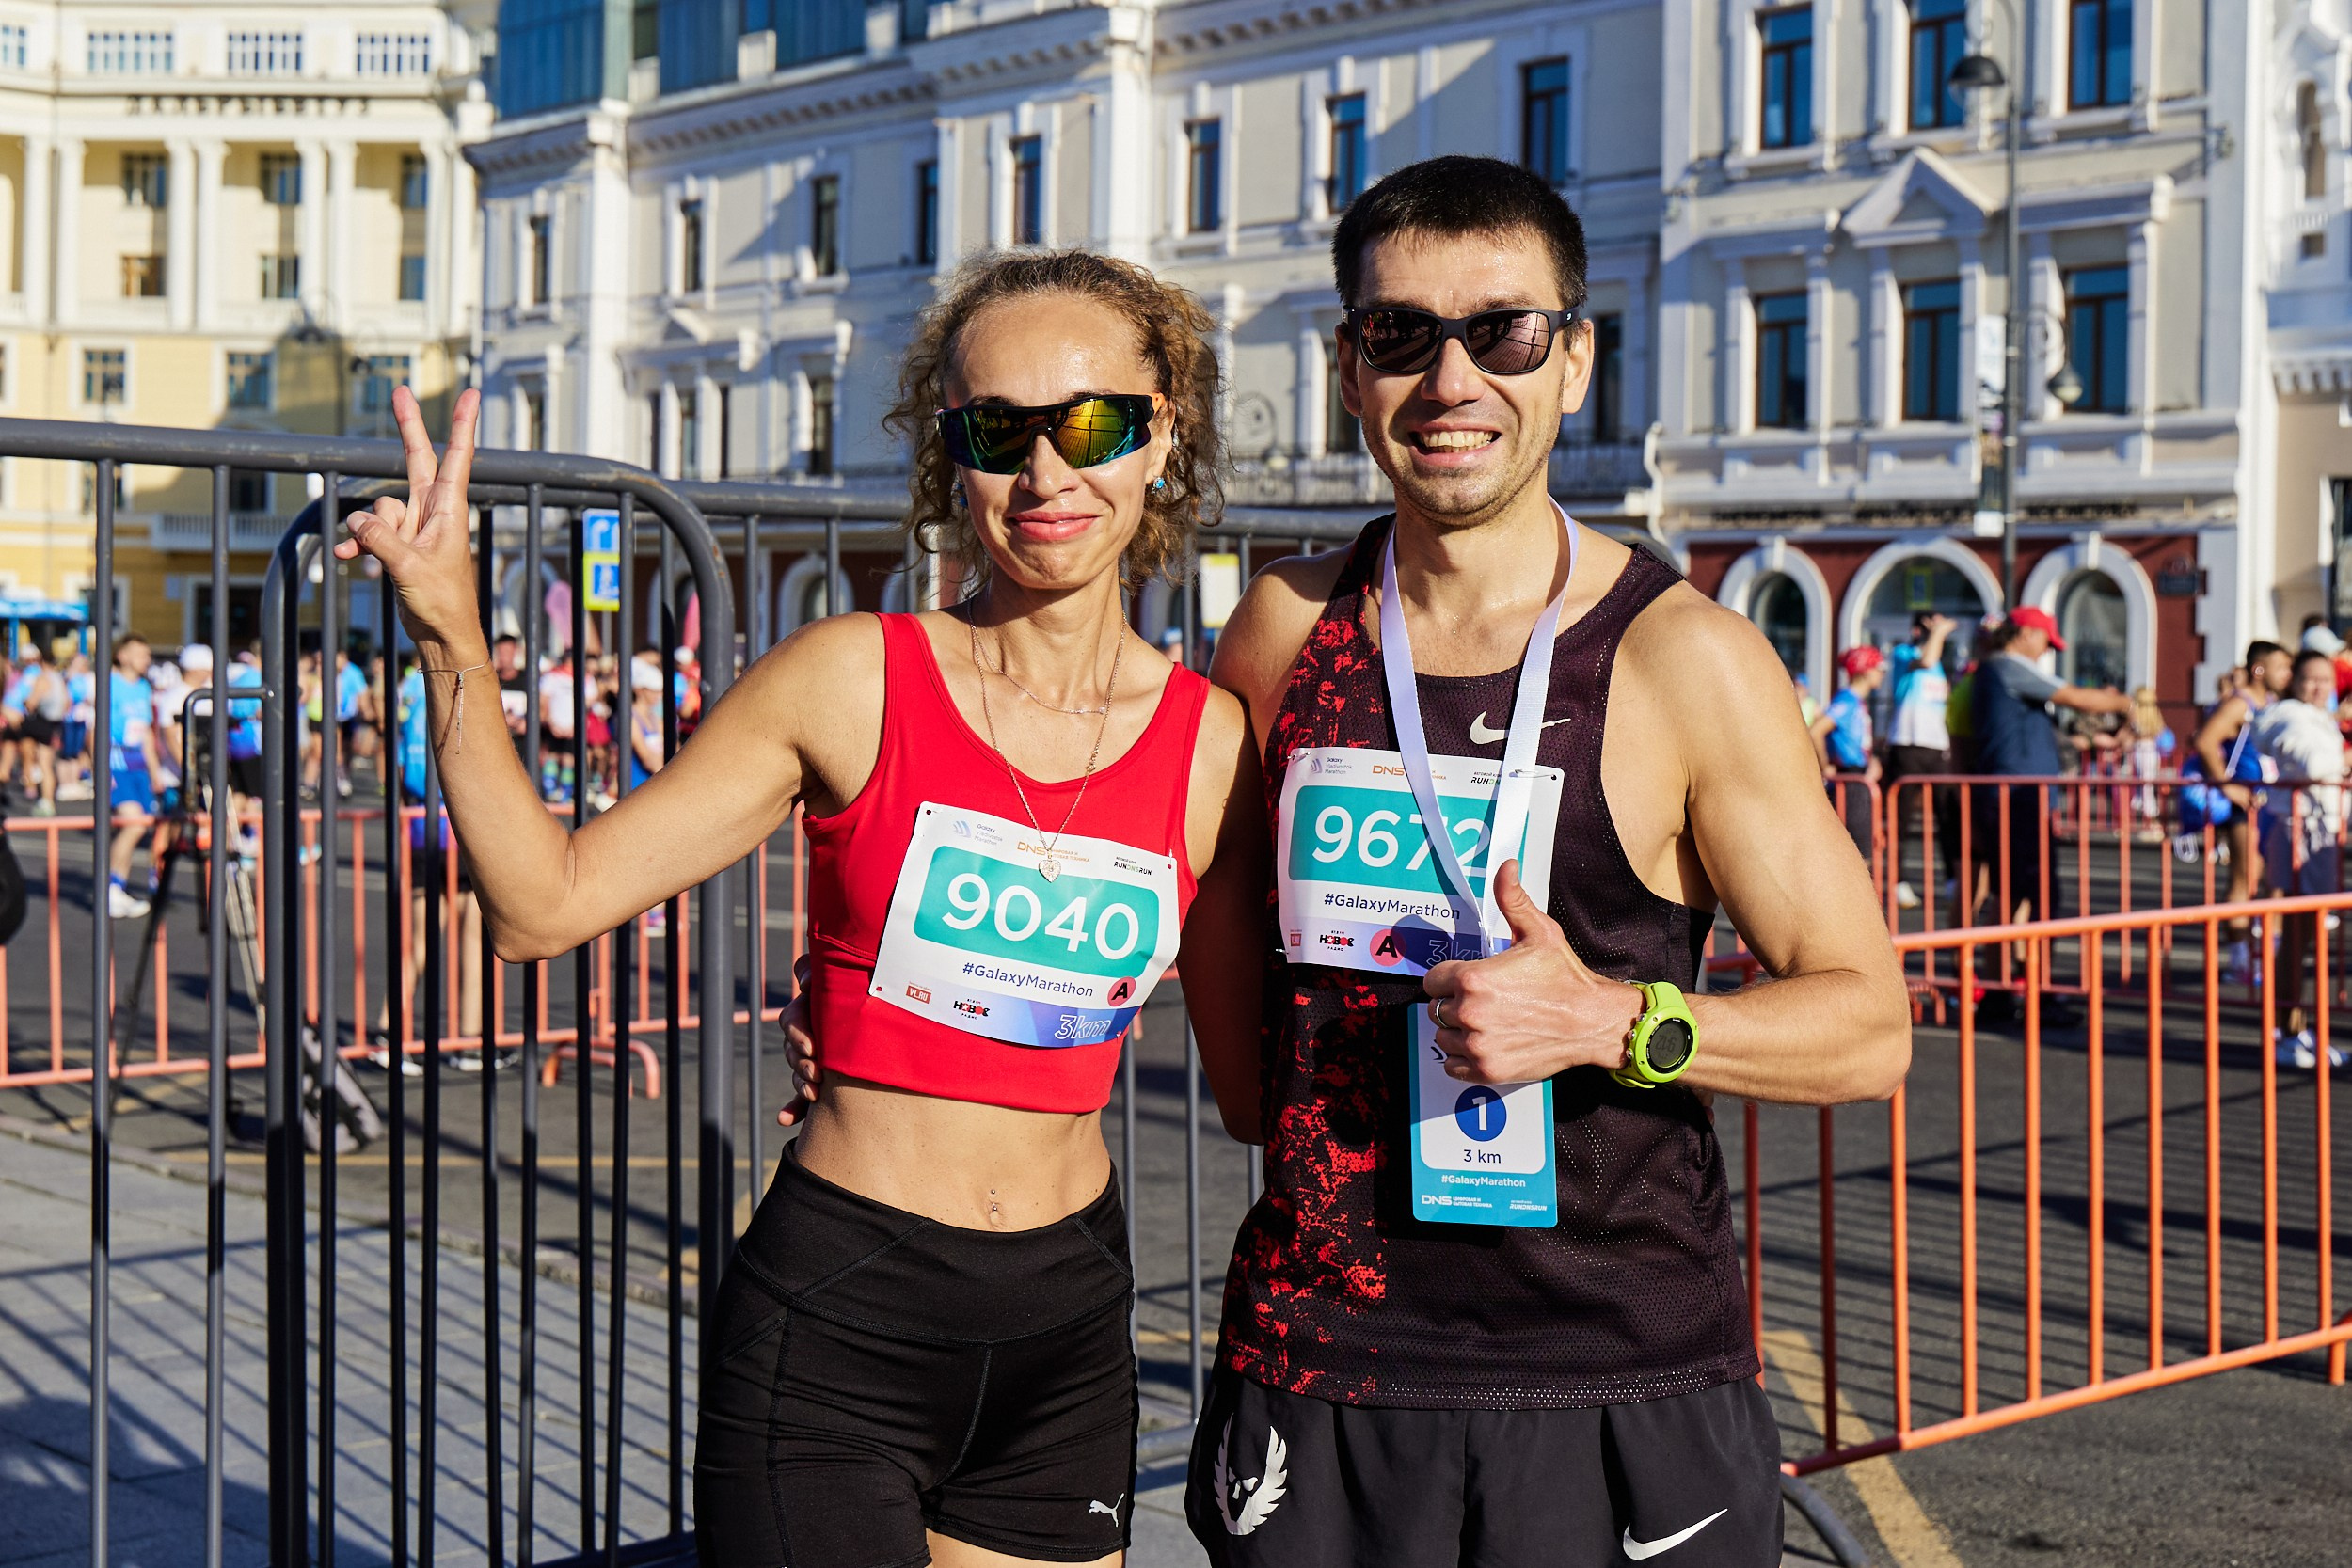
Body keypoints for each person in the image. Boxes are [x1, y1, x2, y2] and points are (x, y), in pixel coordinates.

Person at [339, 247, 1267, 1568]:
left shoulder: (1214, 745)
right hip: (847, 1318)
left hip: (1068, 1321)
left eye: (1096, 425)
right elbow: (542, 904)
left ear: (1159, 436)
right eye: (998, 431)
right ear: (954, 458)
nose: (1049, 474)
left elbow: (1254, 1084)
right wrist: (447, 631)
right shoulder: (853, 677)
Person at [1188, 156, 1905, 1567]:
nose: (1451, 378)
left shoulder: (1683, 655)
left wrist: (1609, 1020)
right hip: (1324, 1354)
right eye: (1401, 334)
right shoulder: (1282, 628)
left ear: (1573, 358)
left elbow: (1867, 1023)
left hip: (1614, 1367)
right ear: (1349, 368)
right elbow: (1213, 915)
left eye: (1502, 331)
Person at [1968, 608, 2134, 932]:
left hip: (2020, 795)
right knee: (2029, 892)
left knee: (2023, 892)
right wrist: (2128, 704)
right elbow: (2076, 697)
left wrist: (2089, 738)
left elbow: (2040, 733)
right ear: (2026, 633)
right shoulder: (2009, 666)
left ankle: (2013, 974)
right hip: (2015, 797)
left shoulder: (2000, 672)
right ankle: (2014, 977)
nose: (2047, 651)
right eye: (2047, 642)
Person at [2249, 649, 2348, 1068]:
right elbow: (2313, 759)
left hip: (2314, 828)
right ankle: (2288, 1031)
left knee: (2305, 936)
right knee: (2298, 934)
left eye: (2326, 679)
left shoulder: (2312, 716)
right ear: (2295, 682)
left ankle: (2296, 1028)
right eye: (2311, 678)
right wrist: (2335, 772)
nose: (2319, 686)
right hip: (2302, 831)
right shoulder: (2292, 715)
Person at [2192, 640, 2294, 976]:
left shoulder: (2277, 703)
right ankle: (2239, 960)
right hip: (2248, 805)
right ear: (2259, 669)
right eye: (2282, 667)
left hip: (2275, 803)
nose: (2287, 674)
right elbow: (2206, 741)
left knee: (2276, 881)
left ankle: (2271, 953)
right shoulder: (2240, 704)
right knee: (2244, 879)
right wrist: (2227, 785)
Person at [1883, 614, 1957, 910]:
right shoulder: (1905, 653)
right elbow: (1925, 660)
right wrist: (1938, 631)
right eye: (1931, 625)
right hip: (1907, 745)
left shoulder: (1939, 666)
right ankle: (1897, 882)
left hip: (1936, 748)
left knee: (1947, 816)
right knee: (1901, 820)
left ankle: (1953, 880)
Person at [104, 635, 164, 918]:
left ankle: (119, 887)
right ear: (123, 656)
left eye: (148, 654)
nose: (147, 660)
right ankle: (112, 887)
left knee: (139, 824)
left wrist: (155, 772)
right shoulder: (108, 683)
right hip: (116, 761)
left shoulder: (143, 688)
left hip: (139, 763)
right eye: (141, 654)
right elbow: (95, 731)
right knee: (134, 824)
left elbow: (147, 735)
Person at [1811, 644, 1883, 872]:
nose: (1882, 673)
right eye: (1877, 668)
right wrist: (1825, 765)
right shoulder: (1847, 700)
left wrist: (1871, 760)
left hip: (1858, 777)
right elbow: (1816, 731)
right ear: (1864, 670)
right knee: (1860, 853)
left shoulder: (1856, 701)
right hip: (1850, 780)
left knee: (1863, 849)